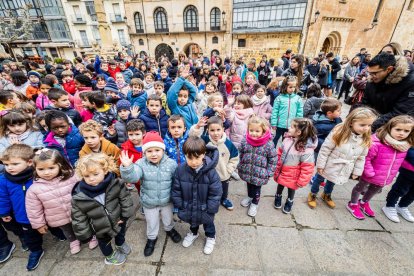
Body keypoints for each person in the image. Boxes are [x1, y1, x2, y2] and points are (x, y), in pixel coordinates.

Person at [0, 144, 66, 271]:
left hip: (45, 211)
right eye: (6, 165)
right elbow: (3, 198)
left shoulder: (38, 174)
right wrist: (3, 212)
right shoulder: (3, 180)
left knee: (52, 224)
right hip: (23, 215)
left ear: (29, 162)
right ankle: (36, 251)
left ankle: (57, 232)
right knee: (30, 236)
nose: (9, 168)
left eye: (14, 164)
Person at [25, 149, 98, 255]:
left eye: (51, 168)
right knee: (67, 230)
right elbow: (33, 209)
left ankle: (90, 237)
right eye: (41, 169)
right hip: (57, 216)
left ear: (60, 165)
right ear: (35, 169)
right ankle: (73, 241)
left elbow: (85, 188)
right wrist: (39, 224)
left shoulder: (72, 177)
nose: (46, 172)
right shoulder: (34, 189)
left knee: (84, 224)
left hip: (78, 211)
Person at [120, 131, 182, 257]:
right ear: (144, 152)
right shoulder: (140, 164)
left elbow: (177, 181)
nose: (153, 154)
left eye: (157, 150)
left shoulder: (171, 164)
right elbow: (133, 177)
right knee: (151, 221)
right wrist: (127, 168)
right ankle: (152, 238)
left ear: (163, 150)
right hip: (149, 202)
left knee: (168, 218)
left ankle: (170, 229)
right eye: (149, 151)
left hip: (167, 200)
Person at [71, 153, 133, 265]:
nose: (91, 179)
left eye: (95, 174)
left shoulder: (115, 183)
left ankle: (120, 243)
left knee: (120, 233)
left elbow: (125, 199)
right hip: (99, 227)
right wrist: (85, 234)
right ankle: (109, 256)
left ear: (105, 170)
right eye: (87, 176)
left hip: (118, 218)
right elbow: (78, 217)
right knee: (104, 243)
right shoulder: (79, 196)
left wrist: (124, 215)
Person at [348, 115, 414, 219]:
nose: (402, 133)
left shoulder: (405, 146)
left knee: (374, 190)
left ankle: (364, 202)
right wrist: (369, 172)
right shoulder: (377, 143)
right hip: (370, 173)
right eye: (398, 129)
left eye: (406, 131)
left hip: (385, 176)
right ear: (390, 127)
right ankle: (353, 204)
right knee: (359, 188)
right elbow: (367, 158)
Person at [310, 108, 377, 208]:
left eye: (369, 125)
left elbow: (361, 157)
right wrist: (320, 165)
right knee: (319, 179)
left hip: (343, 167)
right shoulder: (339, 132)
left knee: (332, 181)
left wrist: (356, 172)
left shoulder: (365, 138)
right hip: (328, 163)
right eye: (362, 125)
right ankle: (313, 194)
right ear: (351, 122)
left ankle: (326, 195)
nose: (366, 128)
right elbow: (325, 149)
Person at [171, 137, 222, 254]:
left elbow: (216, 193)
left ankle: (210, 237)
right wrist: (181, 205)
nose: (194, 162)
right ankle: (193, 233)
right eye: (190, 158)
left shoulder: (211, 172)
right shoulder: (180, 170)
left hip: (205, 208)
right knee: (192, 222)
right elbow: (176, 190)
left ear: (203, 154)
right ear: (185, 156)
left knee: (208, 224)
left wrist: (210, 209)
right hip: (188, 205)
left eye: (197, 157)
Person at [190, 116, 239, 210]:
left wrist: (229, 170)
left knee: (223, 189)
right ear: (207, 130)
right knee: (208, 188)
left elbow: (235, 158)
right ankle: (208, 200)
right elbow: (193, 138)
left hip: (223, 174)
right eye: (212, 130)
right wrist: (197, 127)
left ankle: (223, 199)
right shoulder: (205, 140)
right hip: (207, 174)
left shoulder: (228, 144)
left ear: (223, 129)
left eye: (218, 130)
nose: (216, 133)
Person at [361, 52, 414, 131]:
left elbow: (400, 112)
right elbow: (365, 102)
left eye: (375, 73)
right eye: (370, 73)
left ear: (389, 69)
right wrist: (355, 117)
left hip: (396, 129)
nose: (371, 76)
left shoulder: (410, 82)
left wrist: (370, 126)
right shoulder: (372, 78)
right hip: (373, 123)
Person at [274, 118, 317, 213]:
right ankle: (278, 196)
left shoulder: (306, 148)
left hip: (294, 175)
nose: (289, 128)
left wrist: (302, 181)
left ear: (298, 132)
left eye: (292, 127)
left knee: (291, 188)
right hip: (282, 169)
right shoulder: (287, 139)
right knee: (280, 184)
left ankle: (290, 201)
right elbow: (280, 152)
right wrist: (276, 163)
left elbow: (308, 167)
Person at [238, 117, 277, 217]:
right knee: (249, 185)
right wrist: (240, 164)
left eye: (257, 131)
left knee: (256, 189)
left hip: (260, 173)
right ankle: (250, 197)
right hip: (247, 170)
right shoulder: (245, 141)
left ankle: (255, 203)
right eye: (251, 130)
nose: (253, 133)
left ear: (263, 131)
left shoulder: (268, 144)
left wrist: (269, 172)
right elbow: (241, 153)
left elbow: (273, 159)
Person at [383, 146, 414, 222]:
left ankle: (402, 206)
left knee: (412, 194)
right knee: (400, 189)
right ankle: (389, 206)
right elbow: (408, 149)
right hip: (409, 170)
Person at [271, 76, 303, 146]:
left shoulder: (298, 99)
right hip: (279, 124)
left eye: (294, 87)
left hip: (290, 125)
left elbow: (299, 112)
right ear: (285, 86)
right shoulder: (279, 98)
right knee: (275, 139)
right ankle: (272, 153)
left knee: (286, 141)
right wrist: (273, 123)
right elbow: (275, 111)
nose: (292, 89)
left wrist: (298, 123)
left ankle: (283, 154)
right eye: (290, 87)